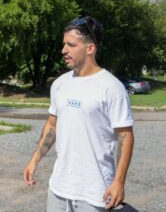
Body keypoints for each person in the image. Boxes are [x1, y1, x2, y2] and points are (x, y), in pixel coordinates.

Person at [23, 16, 135, 211]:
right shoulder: (60, 84)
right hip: (59, 188)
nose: (63, 50)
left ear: (90, 48)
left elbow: (125, 135)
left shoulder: (111, 87)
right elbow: (52, 125)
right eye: (64, 44)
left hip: (94, 192)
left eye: (71, 45)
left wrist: (119, 182)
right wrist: (34, 160)